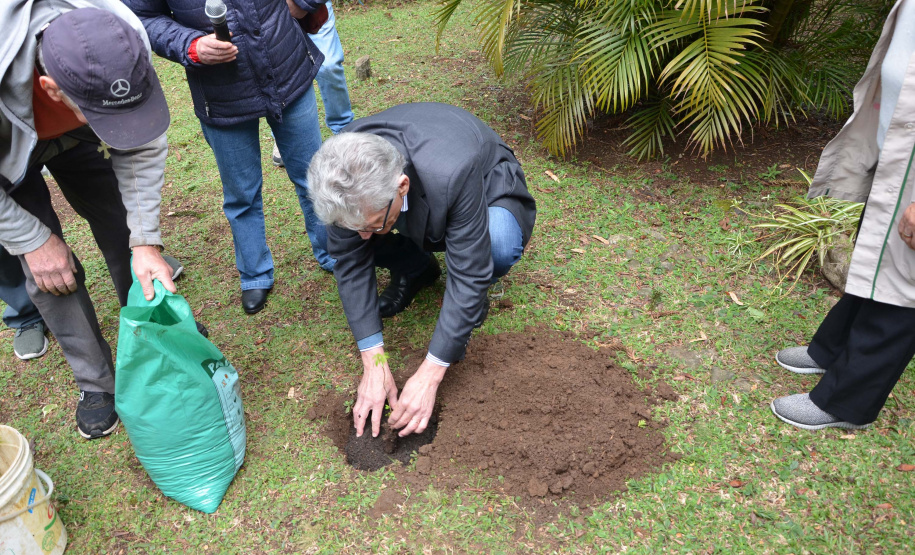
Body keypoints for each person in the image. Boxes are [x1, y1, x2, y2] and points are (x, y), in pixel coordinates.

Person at [0, 2, 178, 439]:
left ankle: (152, 333)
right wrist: (32, 241)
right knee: (47, 271)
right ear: (50, 87)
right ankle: (97, 384)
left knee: (124, 226)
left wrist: (146, 241)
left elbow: (142, 144)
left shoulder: (125, 37)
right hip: (9, 140)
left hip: (78, 130)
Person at [308, 103, 537, 438]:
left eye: (369, 225)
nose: (362, 237)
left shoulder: (453, 172)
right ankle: (417, 268)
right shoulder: (343, 175)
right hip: (404, 192)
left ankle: (470, 302)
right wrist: (374, 364)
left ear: (402, 187)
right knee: (357, 238)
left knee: (495, 246)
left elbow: (468, 272)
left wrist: (430, 373)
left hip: (484, 184)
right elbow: (350, 262)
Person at [126, 0, 334, 315]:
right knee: (241, 193)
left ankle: (333, 250)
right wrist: (190, 45)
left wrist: (303, 4)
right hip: (220, 92)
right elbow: (141, 15)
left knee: (314, 175)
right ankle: (255, 274)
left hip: (286, 63)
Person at [771, 0, 915, 431]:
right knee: (878, 260)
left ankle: (846, 402)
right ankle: (830, 351)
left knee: (905, 286)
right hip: (896, 153)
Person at [273, 0, 354, 166]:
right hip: (270, 13)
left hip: (313, 7)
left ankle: (343, 127)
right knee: (281, 73)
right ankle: (283, 137)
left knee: (329, 66)